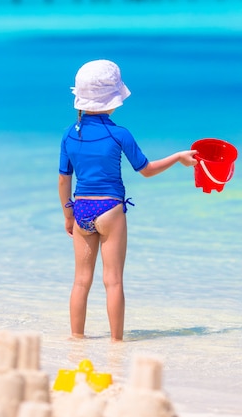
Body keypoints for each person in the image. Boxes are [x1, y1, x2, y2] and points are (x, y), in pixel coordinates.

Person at [58, 59, 197, 341]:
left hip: (82, 207)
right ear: (114, 100)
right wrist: (178, 157)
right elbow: (146, 170)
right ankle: (116, 342)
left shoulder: (70, 134)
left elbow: (64, 180)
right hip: (110, 209)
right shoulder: (119, 133)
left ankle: (76, 339)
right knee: (113, 281)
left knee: (81, 281)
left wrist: (68, 214)